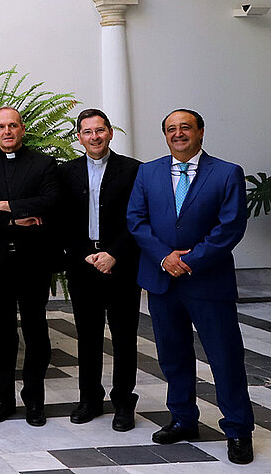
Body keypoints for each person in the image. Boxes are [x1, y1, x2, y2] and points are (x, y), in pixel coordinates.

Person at [127, 109, 254, 465]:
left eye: (186, 127)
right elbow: (136, 221)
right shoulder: (147, 171)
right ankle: (183, 419)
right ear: (164, 136)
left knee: (225, 357)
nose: (178, 133)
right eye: (171, 129)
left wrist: (190, 260)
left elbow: (230, 227)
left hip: (208, 281)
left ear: (200, 132)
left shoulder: (226, 172)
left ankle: (238, 430)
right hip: (162, 280)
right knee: (172, 355)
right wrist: (165, 258)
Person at [0, 106, 60, 427]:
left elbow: (51, 203)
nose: (7, 132)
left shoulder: (44, 164)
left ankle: (34, 401)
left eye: (13, 126)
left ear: (23, 129)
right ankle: (2, 400)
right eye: (1, 127)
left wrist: (2, 206)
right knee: (2, 335)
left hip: (32, 263)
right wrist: (19, 218)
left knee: (36, 332)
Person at [58, 109, 141, 431]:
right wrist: (84, 254)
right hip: (83, 265)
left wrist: (114, 254)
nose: (94, 136)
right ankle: (89, 398)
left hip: (121, 265)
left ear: (109, 133)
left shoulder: (133, 170)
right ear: (78, 137)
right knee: (88, 336)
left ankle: (123, 401)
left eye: (100, 130)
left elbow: (137, 218)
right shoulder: (66, 173)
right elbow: (62, 220)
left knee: (123, 337)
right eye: (87, 132)